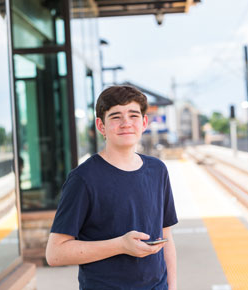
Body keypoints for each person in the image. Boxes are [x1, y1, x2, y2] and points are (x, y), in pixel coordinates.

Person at [46, 85, 178, 290]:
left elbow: (165, 236)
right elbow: (55, 254)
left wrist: (173, 286)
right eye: (116, 116)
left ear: (144, 123)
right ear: (101, 126)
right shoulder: (83, 179)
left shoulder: (158, 170)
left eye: (133, 115)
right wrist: (121, 245)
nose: (126, 123)